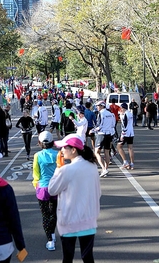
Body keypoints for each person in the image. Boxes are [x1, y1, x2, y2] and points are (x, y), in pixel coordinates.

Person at [49, 134, 101, 263]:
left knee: (67, 258)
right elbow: (98, 192)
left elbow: (52, 190)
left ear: (73, 150)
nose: (61, 151)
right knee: (88, 257)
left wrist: (58, 168)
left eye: (63, 148)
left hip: (69, 221)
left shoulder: (66, 170)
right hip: (89, 219)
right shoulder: (93, 167)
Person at [32, 131, 58, 251]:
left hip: (42, 188)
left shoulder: (37, 155)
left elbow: (36, 173)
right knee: (54, 213)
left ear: (40, 143)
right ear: (52, 142)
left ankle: (50, 240)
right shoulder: (58, 154)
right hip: (55, 187)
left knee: (45, 215)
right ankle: (52, 234)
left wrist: (35, 185)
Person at [93, 101, 115, 178]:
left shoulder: (101, 113)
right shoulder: (111, 114)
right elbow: (113, 124)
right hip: (109, 134)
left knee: (96, 152)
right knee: (107, 152)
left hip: (101, 134)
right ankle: (105, 169)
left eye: (98, 106)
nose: (97, 107)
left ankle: (103, 168)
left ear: (102, 106)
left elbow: (99, 125)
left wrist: (93, 130)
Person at [117, 103, 135, 170]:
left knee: (119, 147)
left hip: (126, 133)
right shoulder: (130, 113)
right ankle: (132, 163)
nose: (120, 109)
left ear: (123, 108)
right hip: (131, 133)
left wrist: (123, 134)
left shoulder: (125, 115)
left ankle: (125, 162)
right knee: (130, 148)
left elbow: (124, 125)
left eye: (121, 108)